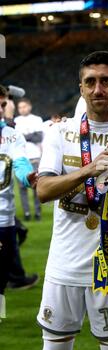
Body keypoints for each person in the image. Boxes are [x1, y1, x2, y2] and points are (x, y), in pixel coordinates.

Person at [36, 51, 108, 350]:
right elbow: (43, 190)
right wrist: (88, 170)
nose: (98, 89)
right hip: (64, 264)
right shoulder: (59, 132)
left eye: (106, 81)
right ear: (80, 88)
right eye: (90, 82)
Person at [0, 84, 37, 328]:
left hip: (5, 223)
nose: (2, 109)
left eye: (3, 104)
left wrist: (29, 177)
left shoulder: (12, 135)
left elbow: (21, 163)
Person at [14, 98, 44, 221]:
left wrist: (23, 137)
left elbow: (39, 137)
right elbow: (16, 139)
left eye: (24, 106)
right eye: (20, 107)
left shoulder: (37, 119)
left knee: (36, 186)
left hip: (35, 157)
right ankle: (26, 213)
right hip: (21, 158)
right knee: (22, 188)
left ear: (29, 107)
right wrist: (30, 136)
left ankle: (37, 213)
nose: (22, 109)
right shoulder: (16, 121)